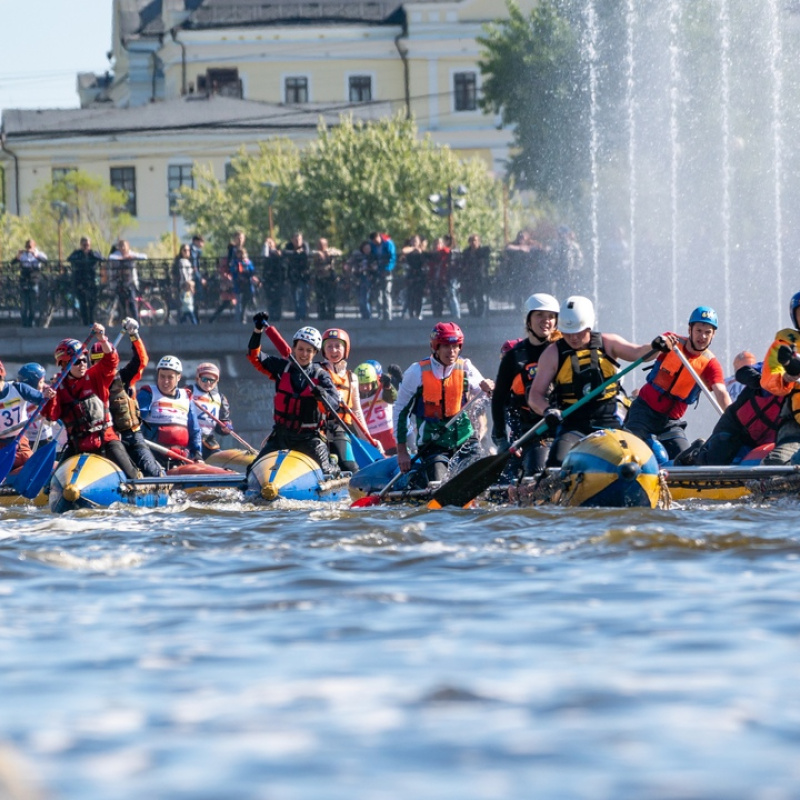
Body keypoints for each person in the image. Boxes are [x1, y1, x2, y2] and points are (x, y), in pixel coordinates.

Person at [527, 296, 661, 467]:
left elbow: (639, 353)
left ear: (589, 326)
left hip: (611, 421)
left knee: (637, 458)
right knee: (556, 462)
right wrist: (547, 411)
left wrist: (656, 346)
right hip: (574, 424)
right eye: (568, 333)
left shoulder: (608, 342)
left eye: (579, 332)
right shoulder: (552, 354)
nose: (573, 338)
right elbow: (535, 396)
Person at [624, 306, 731, 459]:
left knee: (686, 460)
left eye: (708, 332)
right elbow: (643, 354)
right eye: (699, 330)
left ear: (713, 335)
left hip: (670, 422)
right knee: (630, 451)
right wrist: (656, 346)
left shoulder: (710, 364)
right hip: (644, 411)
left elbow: (721, 392)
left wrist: (734, 419)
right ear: (690, 330)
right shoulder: (671, 342)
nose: (703, 336)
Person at [394, 322, 494, 485]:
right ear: (436, 347)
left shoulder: (466, 367)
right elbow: (400, 411)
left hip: (466, 440)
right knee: (439, 484)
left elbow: (486, 393)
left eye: (455, 346)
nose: (452, 351)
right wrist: (402, 451)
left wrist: (489, 387)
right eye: (446, 346)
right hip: (434, 446)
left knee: (480, 479)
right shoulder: (416, 372)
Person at [246, 312, 340, 476]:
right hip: (281, 436)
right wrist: (257, 330)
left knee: (326, 473)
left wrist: (321, 395)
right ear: (294, 349)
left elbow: (333, 406)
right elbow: (254, 357)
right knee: (252, 471)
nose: (304, 354)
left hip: (310, 439)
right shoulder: (282, 368)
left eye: (309, 351)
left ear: (315, 352)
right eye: (300, 349)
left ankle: (333, 464)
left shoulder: (321, 376)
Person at [42, 325, 139, 478]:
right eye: (77, 362)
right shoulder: (57, 387)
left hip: (106, 440)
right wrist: (49, 398)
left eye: (84, 360)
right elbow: (51, 418)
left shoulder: (95, 376)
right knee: (52, 485)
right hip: (77, 445)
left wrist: (102, 339)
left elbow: (111, 361)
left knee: (131, 475)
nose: (82, 365)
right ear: (64, 364)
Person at [492, 293, 561, 477]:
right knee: (537, 472)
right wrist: (500, 439)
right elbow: (498, 400)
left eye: (551, 317)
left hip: (566, 426)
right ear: (528, 319)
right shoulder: (514, 357)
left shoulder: (565, 349)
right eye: (540, 315)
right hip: (534, 431)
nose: (546, 321)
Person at [88, 318, 164, 477]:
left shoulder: (124, 377)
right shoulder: (86, 384)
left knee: (151, 472)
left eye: (103, 361)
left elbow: (141, 361)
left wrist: (134, 334)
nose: (101, 366)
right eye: (96, 362)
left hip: (131, 435)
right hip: (102, 440)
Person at [675, 359, 782, 466]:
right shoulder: (776, 367)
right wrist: (761, 380)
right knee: (716, 463)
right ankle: (696, 454)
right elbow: (742, 372)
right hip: (735, 424)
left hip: (759, 439)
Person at [137, 355, 204, 468]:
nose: (165, 381)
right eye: (162, 376)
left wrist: (197, 453)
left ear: (178, 377)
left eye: (170, 377)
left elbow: (195, 430)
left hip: (180, 457)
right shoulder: (147, 393)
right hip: (153, 454)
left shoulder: (187, 397)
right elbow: (136, 423)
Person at [761, 291, 800, 465]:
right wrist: (789, 374)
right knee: (776, 463)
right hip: (795, 428)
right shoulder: (785, 345)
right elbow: (769, 379)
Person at [319, 328, 366, 473]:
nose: (333, 350)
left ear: (345, 349)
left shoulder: (352, 378)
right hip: (319, 428)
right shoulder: (317, 372)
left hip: (340, 429)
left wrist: (367, 438)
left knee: (351, 467)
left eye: (337, 346)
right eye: (329, 346)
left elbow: (357, 411)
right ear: (324, 350)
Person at [0, 359, 56, 470]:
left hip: (19, 442)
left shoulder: (18, 388)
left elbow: (43, 400)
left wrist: (49, 397)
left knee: (45, 468)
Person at [189, 362, 233, 460]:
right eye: (204, 379)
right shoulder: (188, 391)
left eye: (212, 380)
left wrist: (225, 427)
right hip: (189, 438)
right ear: (198, 378)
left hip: (208, 440)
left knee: (220, 461)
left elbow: (223, 421)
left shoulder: (220, 398)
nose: (208, 383)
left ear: (216, 381)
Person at [15, 362, 63, 450]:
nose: (44, 385)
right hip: (26, 440)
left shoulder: (47, 392)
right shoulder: (18, 396)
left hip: (46, 437)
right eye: (41, 382)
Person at [356, 362, 397, 456]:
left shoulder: (382, 388)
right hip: (371, 436)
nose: (364, 388)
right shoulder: (355, 395)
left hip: (389, 433)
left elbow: (393, 398)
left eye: (367, 384)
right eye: (361, 385)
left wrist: (388, 387)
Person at [108, 240, 147, 324]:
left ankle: (137, 322)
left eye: (123, 246)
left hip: (130, 283)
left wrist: (131, 256)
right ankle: (125, 323)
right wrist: (123, 258)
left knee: (132, 303)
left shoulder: (131, 254)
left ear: (128, 246)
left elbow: (144, 256)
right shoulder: (116, 255)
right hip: (120, 284)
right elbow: (111, 257)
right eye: (120, 246)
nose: (122, 248)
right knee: (122, 305)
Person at [67, 237, 104, 326]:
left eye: (87, 244)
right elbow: (70, 259)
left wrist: (92, 254)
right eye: (84, 244)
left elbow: (102, 258)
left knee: (92, 303)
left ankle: (92, 321)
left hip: (91, 280)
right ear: (81, 245)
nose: (85, 246)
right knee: (82, 302)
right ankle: (85, 322)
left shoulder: (93, 253)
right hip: (80, 280)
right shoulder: (77, 253)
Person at [12, 239, 48, 328]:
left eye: (30, 247)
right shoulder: (23, 255)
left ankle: (31, 322)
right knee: (24, 304)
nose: (28, 249)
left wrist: (36, 256)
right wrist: (18, 256)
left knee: (33, 303)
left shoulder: (39, 254)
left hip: (34, 280)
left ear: (34, 246)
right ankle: (25, 323)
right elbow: (12, 263)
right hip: (24, 280)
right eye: (27, 247)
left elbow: (45, 262)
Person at [460, 233, 491, 317]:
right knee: (469, 296)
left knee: (479, 295)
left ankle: (480, 313)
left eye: (475, 240)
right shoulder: (466, 252)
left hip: (479, 276)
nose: (473, 243)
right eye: (471, 241)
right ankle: (472, 313)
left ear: (478, 242)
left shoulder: (483, 251)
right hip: (469, 277)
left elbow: (485, 263)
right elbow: (463, 264)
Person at [284, 231, 311, 321]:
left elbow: (306, 253)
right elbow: (285, 253)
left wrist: (298, 253)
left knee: (303, 295)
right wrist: (296, 253)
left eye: (299, 239)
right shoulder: (289, 246)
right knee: (294, 296)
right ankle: (297, 314)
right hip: (292, 276)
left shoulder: (305, 245)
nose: (297, 241)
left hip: (303, 276)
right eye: (295, 239)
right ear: (292, 240)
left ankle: (302, 315)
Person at [370, 231, 396, 321]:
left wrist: (387, 269)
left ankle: (388, 315)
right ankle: (379, 314)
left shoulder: (388, 243)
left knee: (386, 293)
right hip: (377, 272)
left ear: (378, 237)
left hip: (387, 272)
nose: (375, 243)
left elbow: (392, 257)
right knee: (378, 293)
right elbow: (372, 256)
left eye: (375, 240)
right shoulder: (373, 245)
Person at [313, 238, 341, 320]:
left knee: (331, 297)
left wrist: (329, 253)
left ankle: (331, 314)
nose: (321, 246)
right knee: (320, 297)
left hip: (330, 279)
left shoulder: (330, 252)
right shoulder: (316, 254)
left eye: (323, 244)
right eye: (319, 244)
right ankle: (321, 315)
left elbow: (339, 253)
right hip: (320, 278)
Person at [401, 235, 426, 320]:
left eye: (416, 240)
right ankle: (411, 313)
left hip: (419, 274)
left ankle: (418, 313)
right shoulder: (409, 250)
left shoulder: (422, 251)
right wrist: (413, 248)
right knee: (410, 294)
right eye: (413, 240)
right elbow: (403, 251)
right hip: (410, 274)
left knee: (419, 295)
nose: (414, 242)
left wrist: (419, 250)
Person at [229, 246, 257, 324]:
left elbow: (252, 271)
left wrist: (246, 266)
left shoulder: (248, 262)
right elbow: (233, 272)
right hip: (239, 285)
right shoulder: (235, 262)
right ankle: (239, 319)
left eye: (243, 253)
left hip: (247, 284)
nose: (241, 255)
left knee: (246, 301)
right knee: (239, 303)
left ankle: (245, 317)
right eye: (239, 254)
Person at [262, 236, 284, 321]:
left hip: (277, 278)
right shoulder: (266, 253)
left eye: (270, 243)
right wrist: (266, 246)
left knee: (278, 298)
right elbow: (265, 256)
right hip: (269, 279)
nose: (269, 245)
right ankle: (271, 315)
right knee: (270, 298)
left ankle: (278, 315)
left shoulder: (278, 253)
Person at [189, 234, 207, 306]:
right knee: (197, 295)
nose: (202, 244)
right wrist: (200, 278)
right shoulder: (193, 250)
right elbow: (194, 266)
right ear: (196, 241)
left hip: (194, 274)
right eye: (201, 242)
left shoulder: (196, 250)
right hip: (193, 276)